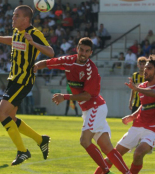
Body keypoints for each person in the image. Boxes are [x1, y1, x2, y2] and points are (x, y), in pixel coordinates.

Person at [34, 37, 131, 174]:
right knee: (107, 148)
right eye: (81, 50)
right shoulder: (68, 61)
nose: (83, 53)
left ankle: (106, 171)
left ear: (91, 52)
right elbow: (47, 62)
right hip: (89, 110)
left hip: (95, 107)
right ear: (77, 49)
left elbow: (86, 95)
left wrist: (65, 97)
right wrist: (35, 66)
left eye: (87, 51)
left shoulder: (91, 69)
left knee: (84, 141)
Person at [0, 5, 54, 165]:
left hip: (23, 80)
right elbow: (12, 40)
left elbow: (50, 52)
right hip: (14, 79)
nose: (13, 18)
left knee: (0, 113)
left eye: (16, 16)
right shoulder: (16, 32)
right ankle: (41, 140)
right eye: (13, 15)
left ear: (26, 19)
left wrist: (33, 43)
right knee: (11, 118)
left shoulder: (35, 33)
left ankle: (23, 151)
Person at [94, 55, 155, 174]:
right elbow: (143, 105)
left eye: (149, 68)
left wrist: (137, 89)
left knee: (138, 153)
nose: (145, 70)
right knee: (114, 154)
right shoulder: (141, 86)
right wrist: (132, 116)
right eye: (145, 67)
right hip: (138, 125)